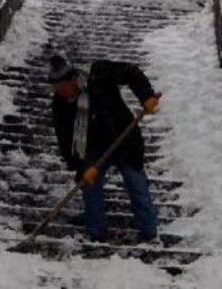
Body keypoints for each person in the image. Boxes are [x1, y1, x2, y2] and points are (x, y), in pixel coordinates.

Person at [48, 53, 161, 243]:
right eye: (55, 88)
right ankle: (96, 231)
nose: (60, 92)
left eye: (62, 87)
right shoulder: (60, 106)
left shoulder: (100, 73)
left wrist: (146, 96)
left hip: (124, 139)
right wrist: (83, 167)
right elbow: (66, 144)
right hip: (93, 151)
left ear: (73, 79)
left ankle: (149, 231)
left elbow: (132, 73)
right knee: (89, 187)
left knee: (137, 186)